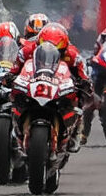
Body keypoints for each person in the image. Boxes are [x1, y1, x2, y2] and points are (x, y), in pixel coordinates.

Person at [7, 23, 92, 152]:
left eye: (58, 49)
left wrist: (84, 83)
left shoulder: (72, 54)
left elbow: (83, 73)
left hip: (61, 83)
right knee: (12, 96)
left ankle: (77, 130)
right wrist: (10, 76)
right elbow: (15, 68)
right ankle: (14, 127)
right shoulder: (27, 50)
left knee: (80, 98)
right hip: (35, 81)